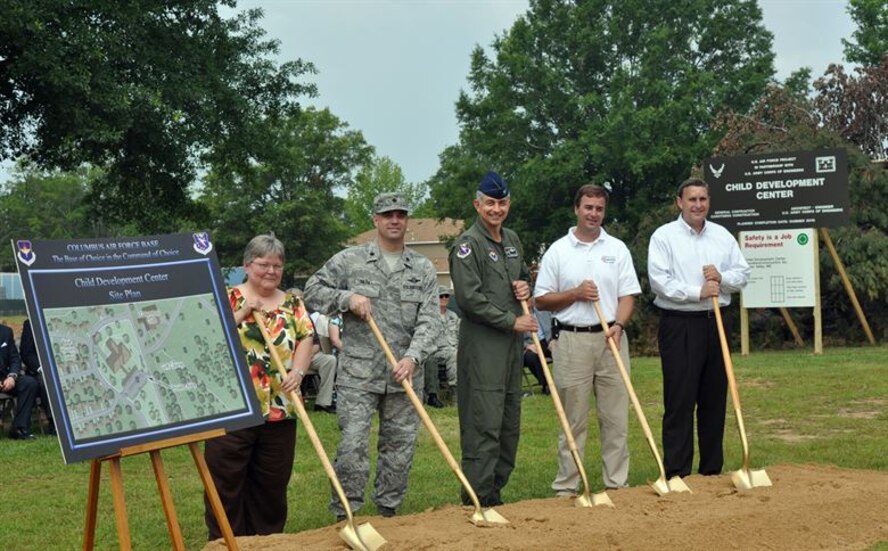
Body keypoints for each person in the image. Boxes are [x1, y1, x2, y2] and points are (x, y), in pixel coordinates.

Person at [304, 192, 438, 519]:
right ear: (375, 220)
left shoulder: (422, 268)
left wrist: (413, 357)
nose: (395, 220)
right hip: (359, 376)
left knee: (399, 452)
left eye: (401, 215)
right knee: (352, 449)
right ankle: (346, 516)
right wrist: (346, 297)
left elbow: (431, 320)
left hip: (404, 375)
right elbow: (311, 291)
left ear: (407, 220)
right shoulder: (350, 260)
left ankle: (388, 515)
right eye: (387, 214)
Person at [204, 234, 314, 540]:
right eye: (263, 264)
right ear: (247, 265)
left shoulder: (293, 303)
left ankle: (267, 543)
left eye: (277, 265)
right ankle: (226, 542)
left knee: (271, 486)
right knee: (225, 482)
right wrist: (242, 312)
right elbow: (209, 340)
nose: (271, 271)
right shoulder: (226, 297)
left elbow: (306, 337)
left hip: (280, 408)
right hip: (233, 407)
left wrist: (300, 371)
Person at [534, 184, 642, 493]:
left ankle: (616, 484)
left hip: (612, 338)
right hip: (572, 340)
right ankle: (567, 486)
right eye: (588, 207)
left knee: (616, 419)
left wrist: (620, 325)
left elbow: (627, 295)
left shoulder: (617, 249)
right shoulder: (558, 250)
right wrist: (575, 294)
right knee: (573, 420)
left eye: (599, 208)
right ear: (576, 209)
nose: (594, 214)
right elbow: (541, 300)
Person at [647, 177, 750, 479]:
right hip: (680, 324)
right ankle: (677, 472)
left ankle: (711, 471)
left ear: (709, 202)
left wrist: (722, 278)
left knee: (714, 399)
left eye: (703, 199)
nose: (698, 205)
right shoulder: (664, 237)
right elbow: (659, 282)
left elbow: (742, 273)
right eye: (691, 199)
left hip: (716, 322)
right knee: (679, 400)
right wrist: (697, 292)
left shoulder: (722, 236)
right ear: (679, 202)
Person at [449, 171, 536, 507]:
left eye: (501, 203)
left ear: (508, 204)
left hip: (512, 348)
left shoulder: (512, 240)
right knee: (484, 422)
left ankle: (495, 493)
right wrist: (511, 321)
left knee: (508, 421)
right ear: (477, 204)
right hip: (484, 345)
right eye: (490, 203)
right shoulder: (467, 246)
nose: (496, 209)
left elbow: (524, 278)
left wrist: (526, 287)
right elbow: (469, 300)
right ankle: (476, 497)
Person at [1, 322, 39, 440]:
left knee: (29, 383)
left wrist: (12, 376)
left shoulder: (6, 332)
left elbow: (14, 358)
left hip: (5, 378)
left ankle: (19, 428)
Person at [423, 286, 459, 408]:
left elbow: (460, 335)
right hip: (436, 352)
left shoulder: (453, 316)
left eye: (446, 296)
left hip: (454, 349)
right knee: (453, 355)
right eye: (441, 296)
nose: (444, 298)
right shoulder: (429, 317)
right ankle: (455, 393)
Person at [18, 318, 55, 434]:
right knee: (47, 380)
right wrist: (40, 368)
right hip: (40, 371)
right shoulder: (30, 323)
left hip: (64, 367)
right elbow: (26, 352)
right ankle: (54, 422)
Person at [522, 304, 553, 396]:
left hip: (547, 341)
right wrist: (527, 346)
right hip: (530, 344)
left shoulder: (543, 309)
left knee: (562, 349)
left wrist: (554, 340)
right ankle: (546, 384)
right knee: (530, 356)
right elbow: (511, 336)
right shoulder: (517, 315)